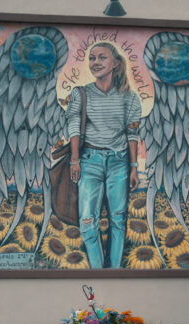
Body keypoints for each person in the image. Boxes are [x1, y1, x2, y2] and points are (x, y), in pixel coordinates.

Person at [66, 42, 142, 269]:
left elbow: (132, 134)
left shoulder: (130, 98)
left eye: (101, 58)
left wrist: (134, 167)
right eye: (92, 58)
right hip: (89, 162)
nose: (95, 62)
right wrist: (75, 159)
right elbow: (73, 129)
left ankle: (115, 270)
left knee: (118, 220)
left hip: (119, 163)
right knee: (88, 221)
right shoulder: (81, 94)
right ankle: (98, 271)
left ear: (115, 63)